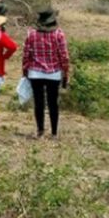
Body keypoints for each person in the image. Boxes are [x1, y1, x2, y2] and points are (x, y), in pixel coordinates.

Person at [22, 9, 71, 139]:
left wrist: (25, 71)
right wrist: (65, 72)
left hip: (35, 72)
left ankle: (40, 131)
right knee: (53, 103)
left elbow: (26, 54)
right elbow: (64, 56)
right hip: (53, 73)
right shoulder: (59, 35)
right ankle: (54, 133)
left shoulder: (31, 35)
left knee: (39, 103)